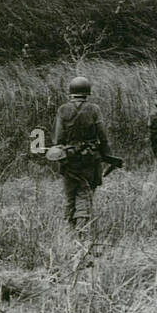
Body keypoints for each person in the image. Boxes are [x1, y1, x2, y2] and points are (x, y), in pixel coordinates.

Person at [51, 76, 119, 237]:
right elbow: (103, 137)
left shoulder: (63, 110)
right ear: (87, 92)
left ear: (71, 92)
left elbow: (58, 139)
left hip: (68, 160)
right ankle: (82, 233)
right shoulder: (94, 109)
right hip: (90, 160)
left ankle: (68, 233)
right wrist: (108, 156)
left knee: (70, 196)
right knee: (85, 194)